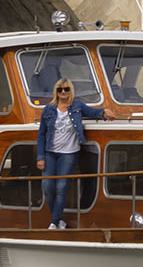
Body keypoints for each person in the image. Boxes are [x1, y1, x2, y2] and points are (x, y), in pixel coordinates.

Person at [35, 78, 102, 229]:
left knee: (61, 187)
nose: (63, 92)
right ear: (56, 92)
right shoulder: (48, 109)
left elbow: (93, 112)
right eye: (60, 89)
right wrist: (40, 157)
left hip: (69, 153)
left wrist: (104, 112)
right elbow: (41, 135)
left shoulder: (77, 106)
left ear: (71, 91)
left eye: (66, 89)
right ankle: (58, 221)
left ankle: (54, 222)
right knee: (47, 187)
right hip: (50, 153)